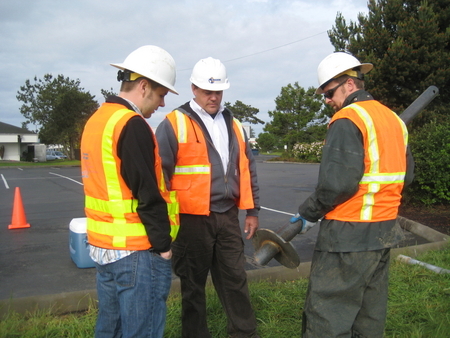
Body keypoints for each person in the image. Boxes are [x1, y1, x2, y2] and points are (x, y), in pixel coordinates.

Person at [290, 52, 415, 337]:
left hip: (347, 237)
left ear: (349, 84)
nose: (327, 101)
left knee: (327, 318)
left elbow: (337, 185)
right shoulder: (394, 120)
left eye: (329, 92)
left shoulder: (347, 118)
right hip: (383, 231)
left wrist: (308, 213)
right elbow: (407, 177)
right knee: (369, 317)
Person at [156, 57, 260, 338]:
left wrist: (252, 211)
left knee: (235, 280)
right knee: (193, 286)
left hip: (227, 216)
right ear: (193, 89)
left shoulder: (234, 123)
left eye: (218, 91)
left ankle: (244, 333)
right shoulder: (173, 123)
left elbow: (247, 169)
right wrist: (165, 220)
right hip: (191, 220)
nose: (213, 97)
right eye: (207, 91)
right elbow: (159, 176)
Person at [80, 45, 180, 338]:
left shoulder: (98, 120)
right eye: (161, 95)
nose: (162, 104)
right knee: (142, 331)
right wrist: (163, 247)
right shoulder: (131, 124)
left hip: (104, 247)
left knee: (110, 329)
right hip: (137, 251)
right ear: (144, 86)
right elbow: (147, 193)